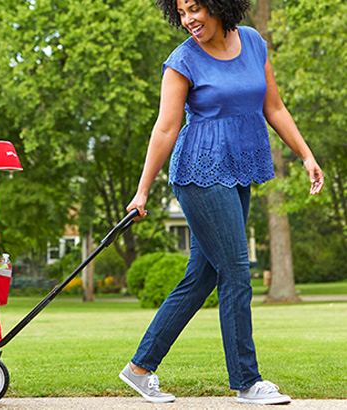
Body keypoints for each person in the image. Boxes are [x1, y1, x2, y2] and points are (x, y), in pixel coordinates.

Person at [119, 0, 324, 406]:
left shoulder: (252, 42)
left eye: (195, 8)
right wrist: (143, 190)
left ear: (219, 5)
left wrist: (305, 154)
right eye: (181, 12)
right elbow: (165, 128)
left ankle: (139, 368)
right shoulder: (182, 60)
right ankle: (247, 382)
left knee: (202, 276)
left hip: (238, 167)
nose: (189, 19)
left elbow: (274, 106)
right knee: (235, 268)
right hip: (200, 171)